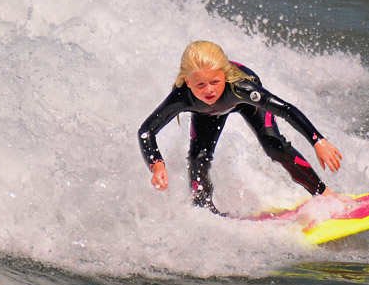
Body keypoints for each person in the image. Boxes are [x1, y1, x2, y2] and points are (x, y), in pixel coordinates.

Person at [137, 40, 343, 214]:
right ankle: (205, 213)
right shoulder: (182, 96)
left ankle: (324, 194)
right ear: (187, 82)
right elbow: (146, 131)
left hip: (243, 103)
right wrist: (157, 165)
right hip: (207, 113)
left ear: (224, 76)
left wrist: (318, 141)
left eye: (215, 82)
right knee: (198, 160)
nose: (209, 90)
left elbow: (287, 110)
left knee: (273, 146)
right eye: (200, 85)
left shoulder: (241, 87)